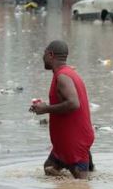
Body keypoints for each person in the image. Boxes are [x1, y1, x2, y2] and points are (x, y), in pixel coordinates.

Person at [30, 40, 95, 180]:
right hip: (65, 142)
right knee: (49, 168)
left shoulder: (63, 77)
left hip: (73, 141)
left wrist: (46, 109)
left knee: (81, 187)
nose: (43, 57)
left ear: (51, 55)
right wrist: (45, 106)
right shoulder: (67, 73)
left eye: (44, 54)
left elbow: (73, 103)